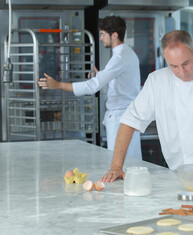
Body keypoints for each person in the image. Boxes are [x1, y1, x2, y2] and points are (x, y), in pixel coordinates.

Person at [101, 30, 193, 190]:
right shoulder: (157, 81)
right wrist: (116, 166)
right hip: (179, 180)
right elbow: (129, 121)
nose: (181, 72)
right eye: (173, 66)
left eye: (186, 63)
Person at [38, 16, 142, 159]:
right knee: (130, 164)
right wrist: (101, 75)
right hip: (127, 116)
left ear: (115, 35)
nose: (100, 38)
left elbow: (92, 87)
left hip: (120, 119)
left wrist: (58, 85)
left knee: (119, 165)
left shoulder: (119, 57)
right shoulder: (128, 53)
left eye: (103, 34)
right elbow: (123, 84)